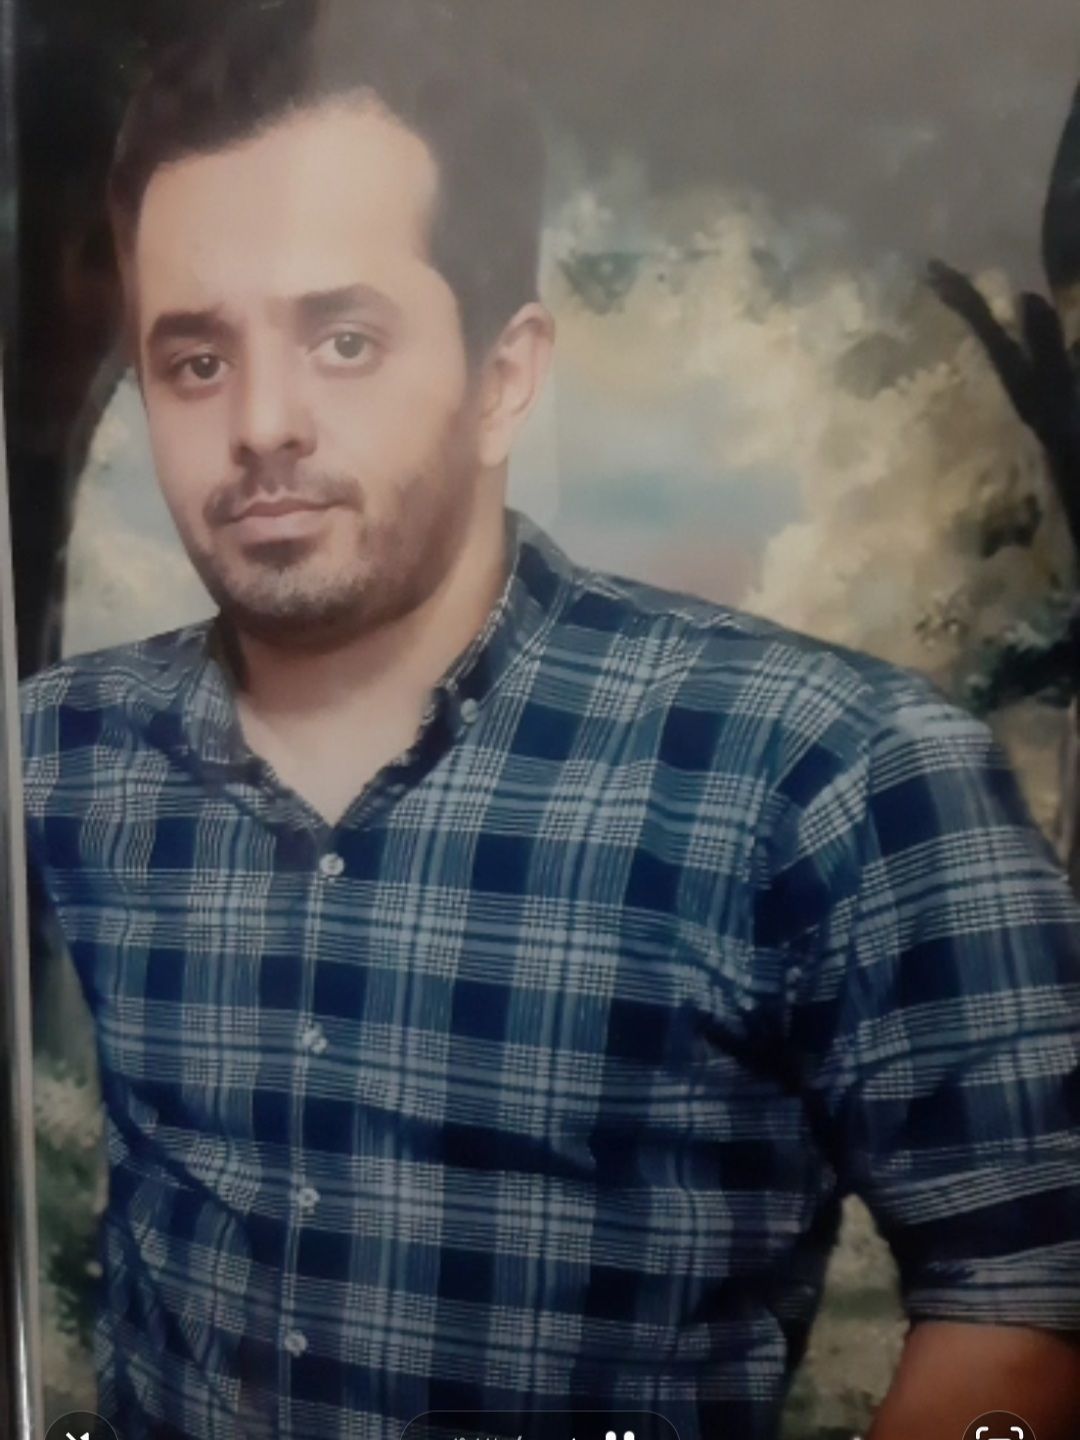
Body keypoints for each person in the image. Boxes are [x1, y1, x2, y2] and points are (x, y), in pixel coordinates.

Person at [18, 3, 1080, 1438]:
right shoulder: (56, 757)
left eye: (344, 339)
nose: (261, 422)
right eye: (197, 360)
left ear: (504, 377)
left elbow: (1024, 1287)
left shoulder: (832, 769)